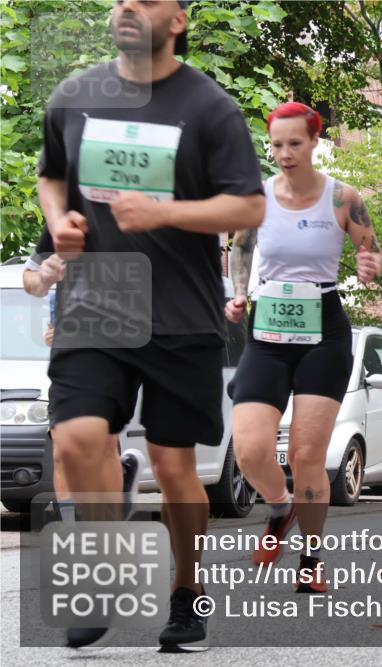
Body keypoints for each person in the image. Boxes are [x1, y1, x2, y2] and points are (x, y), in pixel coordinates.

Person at [40, 0, 265, 649]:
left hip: (181, 310)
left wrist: (167, 213)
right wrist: (60, 220)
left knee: (174, 465)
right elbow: (51, 176)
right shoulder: (75, 95)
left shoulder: (210, 106)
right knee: (77, 437)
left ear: (179, 20)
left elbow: (249, 205)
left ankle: (187, 592)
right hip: (97, 300)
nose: (128, 6)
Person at [226, 102, 382, 591]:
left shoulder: (342, 198)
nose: (285, 154)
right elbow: (240, 251)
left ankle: (312, 560)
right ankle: (280, 507)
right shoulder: (257, 197)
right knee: (251, 448)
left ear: (315, 142)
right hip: (267, 328)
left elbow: (370, 248)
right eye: (276, 145)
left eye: (295, 144)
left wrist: (369, 264)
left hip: (323, 331)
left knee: (306, 455)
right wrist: (237, 293)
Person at [22, 232, 146, 523]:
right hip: (72, 353)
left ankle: (118, 486)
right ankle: (72, 529)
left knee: (101, 442)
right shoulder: (65, 219)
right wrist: (53, 320)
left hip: (121, 349)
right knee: (62, 450)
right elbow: (35, 277)